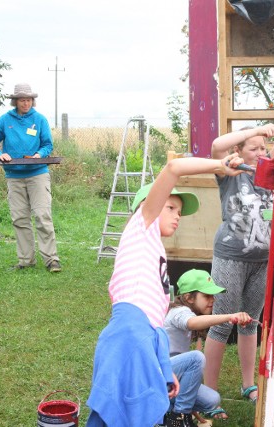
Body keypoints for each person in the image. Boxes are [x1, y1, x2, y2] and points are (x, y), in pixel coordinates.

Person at [86, 155, 246, 427]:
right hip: (128, 334)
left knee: (132, 410)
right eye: (170, 207)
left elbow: (157, 326)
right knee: (112, 407)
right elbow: (173, 168)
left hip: (146, 338)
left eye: (179, 212)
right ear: (147, 208)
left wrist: (164, 368)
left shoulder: (155, 252)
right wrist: (218, 166)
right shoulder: (140, 228)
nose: (177, 216)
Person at [204, 79, 274, 404]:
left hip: (262, 260)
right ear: (241, 150)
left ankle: (248, 385)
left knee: (250, 322)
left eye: (264, 148)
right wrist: (254, 129)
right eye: (254, 148)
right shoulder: (229, 171)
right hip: (230, 257)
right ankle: (209, 392)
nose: (261, 153)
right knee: (222, 323)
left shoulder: (271, 171)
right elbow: (218, 144)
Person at [0, 83, 61, 273]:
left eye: (28, 100)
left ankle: (52, 260)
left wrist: (39, 154)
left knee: (43, 216)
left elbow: (47, 144)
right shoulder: (5, 120)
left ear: (32, 101)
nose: (25, 103)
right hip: (14, 176)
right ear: (15, 101)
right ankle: (26, 260)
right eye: (22, 100)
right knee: (20, 218)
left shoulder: (39, 119)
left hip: (38, 174)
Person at [163, 269, 252, 423]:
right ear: (188, 297)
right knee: (197, 358)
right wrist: (230, 316)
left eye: (213, 295)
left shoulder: (190, 312)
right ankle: (179, 417)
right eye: (206, 296)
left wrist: (190, 402)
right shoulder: (179, 312)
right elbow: (192, 323)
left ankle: (171, 412)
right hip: (158, 371)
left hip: (173, 373)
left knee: (212, 399)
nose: (212, 300)